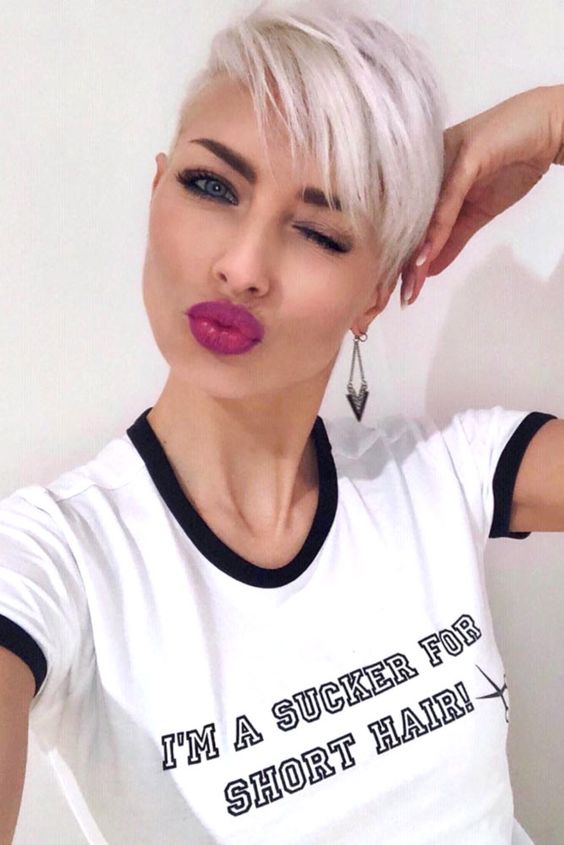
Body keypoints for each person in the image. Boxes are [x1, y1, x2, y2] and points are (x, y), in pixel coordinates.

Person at [0, 1, 562, 843]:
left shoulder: (445, 473)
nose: (242, 266)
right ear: (156, 191)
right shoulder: (57, 557)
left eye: (319, 231)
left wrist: (552, 122)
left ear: (376, 293)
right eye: (211, 186)